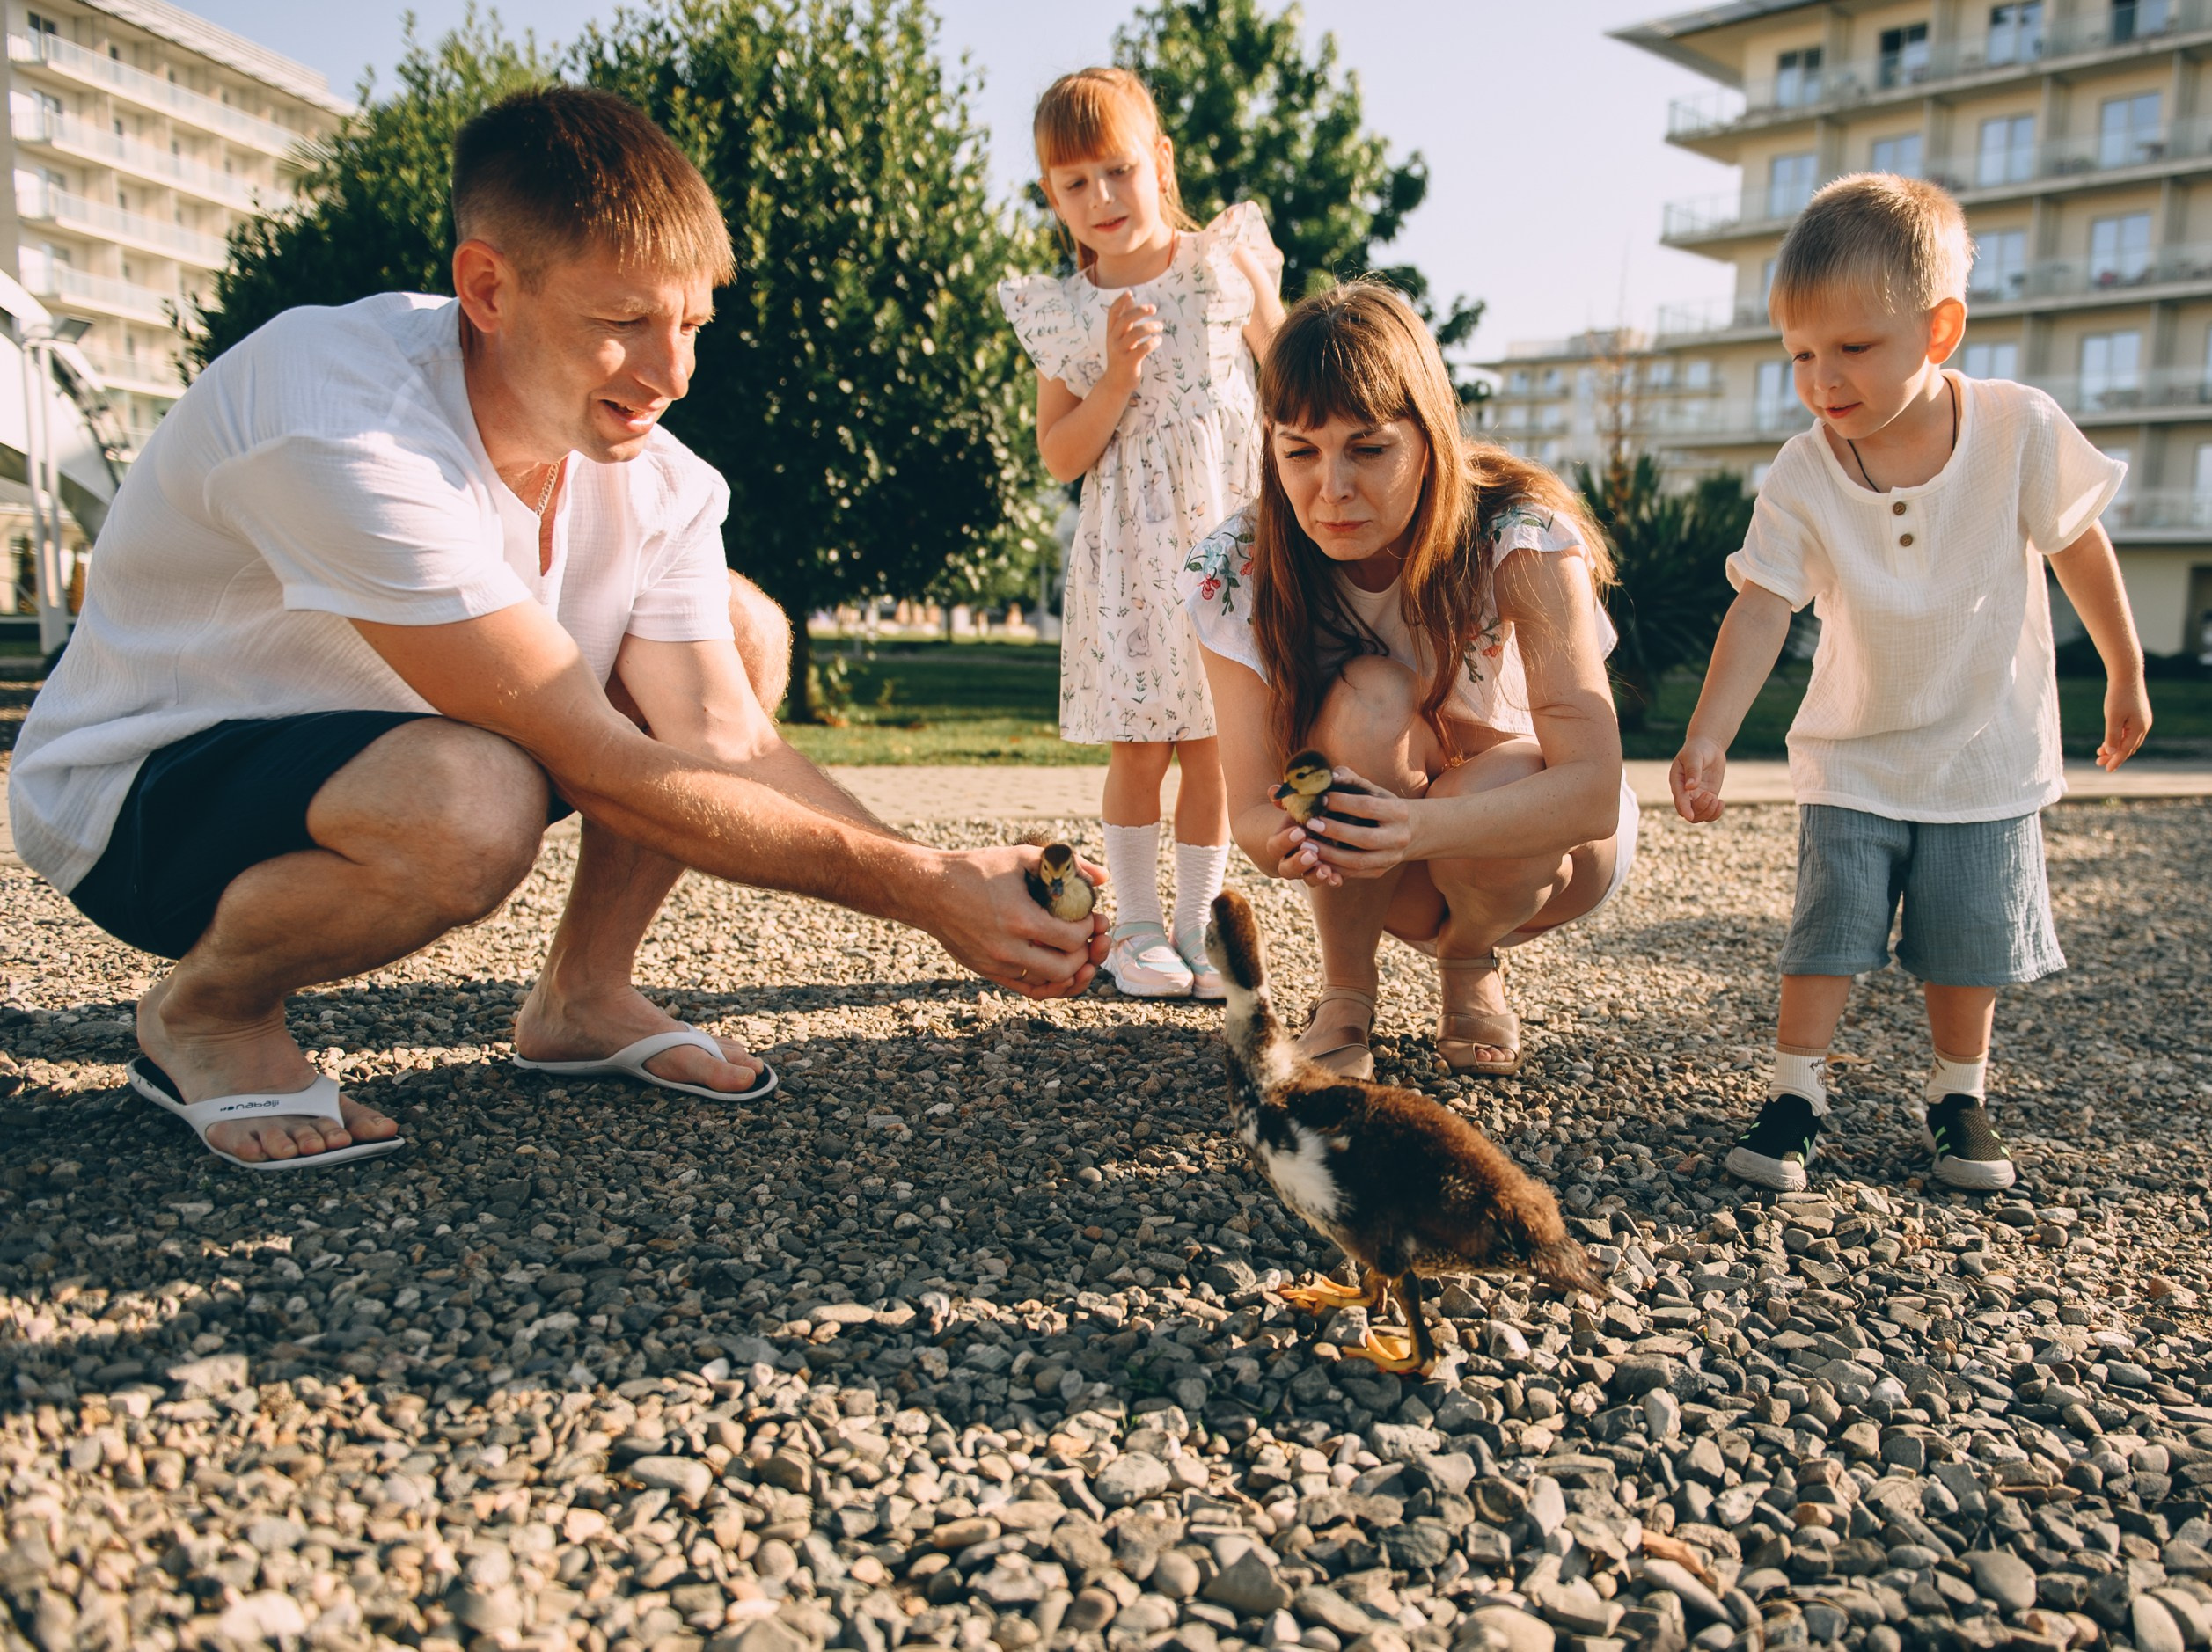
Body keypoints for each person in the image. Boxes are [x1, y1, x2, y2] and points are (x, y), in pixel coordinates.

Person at [9, 87, 1104, 1172]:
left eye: (690, 325)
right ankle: (205, 1014)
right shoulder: (343, 420)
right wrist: (921, 898)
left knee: (741, 631)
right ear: (488, 287)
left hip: (382, 740)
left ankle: (581, 996)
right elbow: (603, 763)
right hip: (140, 796)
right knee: (472, 806)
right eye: (622, 324)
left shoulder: (660, 480)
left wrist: (944, 868)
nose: (671, 375)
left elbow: (725, 738)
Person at [1672, 174, 2151, 1195]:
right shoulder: (1805, 470)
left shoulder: (2018, 429)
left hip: (1986, 752)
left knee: (1968, 942)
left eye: (1853, 348)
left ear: (1938, 330)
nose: (1822, 378)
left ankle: (1957, 1094)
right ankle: (1797, 1090)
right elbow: (1762, 604)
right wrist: (1710, 733)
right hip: (1854, 749)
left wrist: (2124, 665)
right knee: (1828, 927)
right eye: (1801, 353)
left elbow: (2077, 545)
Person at [1180, 281, 1637, 1081]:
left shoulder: (1518, 533)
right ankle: (1347, 991)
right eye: (1300, 451)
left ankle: (1469, 960)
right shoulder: (1238, 567)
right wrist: (1286, 839)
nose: (1333, 489)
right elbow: (1251, 806)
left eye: (1367, 448)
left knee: (1507, 773)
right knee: (1369, 699)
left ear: (1429, 439)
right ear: (1270, 448)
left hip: (1540, 857)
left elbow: (1594, 793)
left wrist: (1409, 830)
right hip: (1388, 872)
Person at [998, 68, 1285, 1001]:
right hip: (1129, 562)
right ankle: (1132, 927)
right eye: (1075, 183)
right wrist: (1114, 380)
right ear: (1053, 195)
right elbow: (1059, 455)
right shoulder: (1067, 312)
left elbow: (1285, 382)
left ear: (1159, 161)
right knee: (1140, 748)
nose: (1102, 198)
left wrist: (1274, 306)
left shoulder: (1217, 267)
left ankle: (1198, 930)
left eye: (1118, 170)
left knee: (1212, 746)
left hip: (1225, 547)